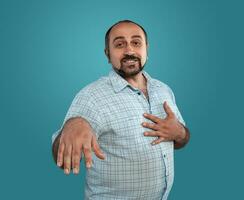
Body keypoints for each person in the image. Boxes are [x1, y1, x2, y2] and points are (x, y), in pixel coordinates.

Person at [51, 20, 190, 200]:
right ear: (108, 54)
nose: (129, 50)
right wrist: (73, 124)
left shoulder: (164, 90)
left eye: (136, 42)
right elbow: (62, 157)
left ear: (146, 49)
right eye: (119, 44)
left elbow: (182, 140)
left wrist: (179, 133)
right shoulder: (92, 96)